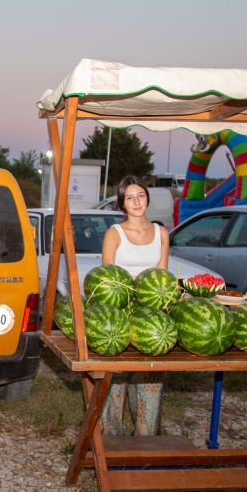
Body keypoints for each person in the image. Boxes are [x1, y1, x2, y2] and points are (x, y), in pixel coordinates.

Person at [100, 176, 170, 436]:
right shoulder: (114, 234)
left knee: (149, 386)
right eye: (130, 197)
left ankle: (146, 446)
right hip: (119, 317)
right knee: (115, 386)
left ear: (147, 198)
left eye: (140, 195)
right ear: (122, 204)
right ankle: (111, 447)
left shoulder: (161, 233)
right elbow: (107, 280)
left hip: (151, 318)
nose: (136, 201)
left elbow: (162, 278)